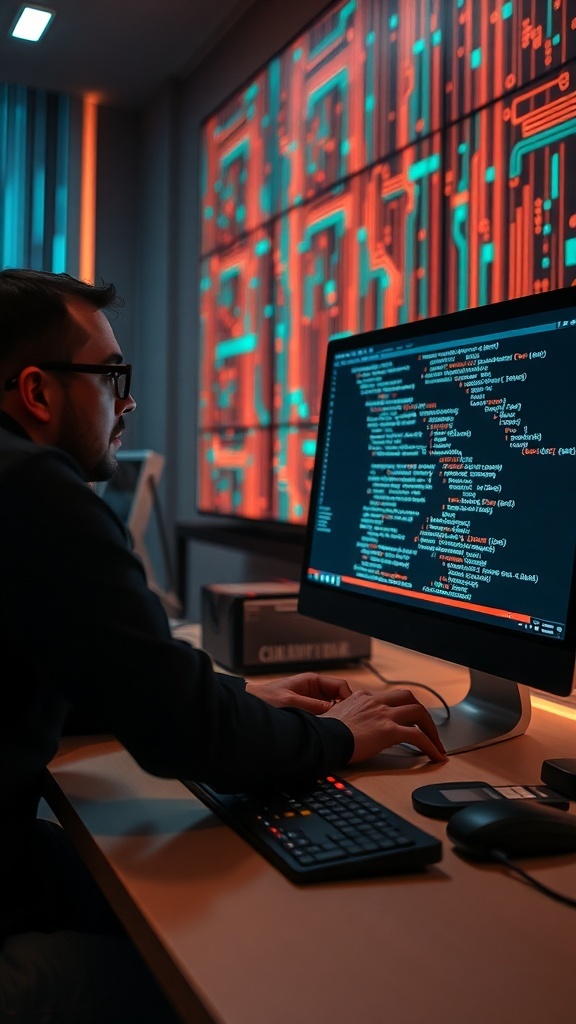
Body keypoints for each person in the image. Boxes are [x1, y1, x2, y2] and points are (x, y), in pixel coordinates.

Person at [0, 267, 447, 1023]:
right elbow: (186, 738)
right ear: (38, 392)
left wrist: (228, 691)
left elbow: (60, 671)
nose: (127, 402)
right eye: (112, 376)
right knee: (247, 985)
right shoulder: (33, 487)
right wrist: (336, 736)